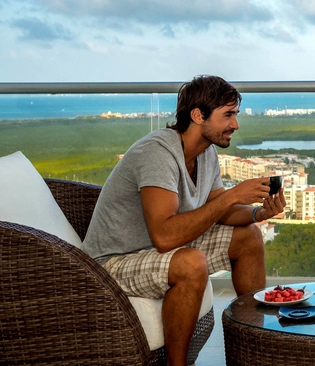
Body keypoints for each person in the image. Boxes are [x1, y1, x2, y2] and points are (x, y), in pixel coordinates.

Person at [82, 75, 285, 366]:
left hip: (153, 252)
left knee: (249, 235)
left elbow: (221, 211)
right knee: (190, 263)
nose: (236, 124)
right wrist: (232, 196)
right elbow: (165, 237)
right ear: (198, 115)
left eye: (235, 114)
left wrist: (258, 213)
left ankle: (254, 348)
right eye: (228, 115)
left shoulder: (206, 153)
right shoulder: (158, 153)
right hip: (111, 264)